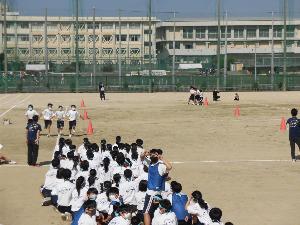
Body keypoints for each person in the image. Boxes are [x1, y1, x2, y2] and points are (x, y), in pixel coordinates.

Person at [143, 149, 172, 225]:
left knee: (146, 212)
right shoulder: (156, 164)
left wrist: (161, 159)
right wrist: (162, 159)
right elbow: (169, 167)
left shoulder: (155, 165)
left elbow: (169, 167)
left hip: (151, 193)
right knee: (156, 211)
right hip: (158, 193)